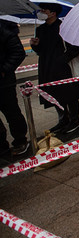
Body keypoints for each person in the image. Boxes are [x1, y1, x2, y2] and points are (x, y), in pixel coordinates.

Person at [30, 3, 79, 134]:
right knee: (53, 94)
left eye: (44, 9)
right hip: (47, 66)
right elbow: (40, 50)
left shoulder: (64, 28)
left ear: (53, 13)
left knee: (69, 94)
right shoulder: (41, 29)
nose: (42, 12)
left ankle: (75, 119)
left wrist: (62, 60)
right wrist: (35, 45)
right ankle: (63, 119)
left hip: (64, 68)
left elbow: (75, 48)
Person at [0, 18, 29, 157]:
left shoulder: (4, 29)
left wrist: (4, 69)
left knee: (12, 112)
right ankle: (2, 146)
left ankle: (20, 140)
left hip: (4, 83)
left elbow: (18, 52)